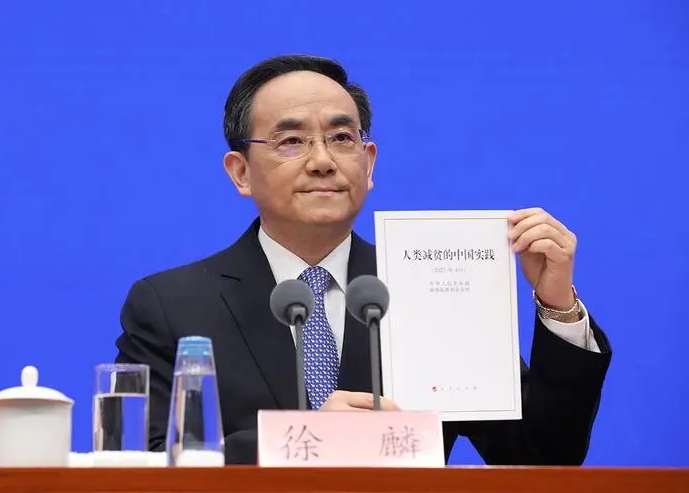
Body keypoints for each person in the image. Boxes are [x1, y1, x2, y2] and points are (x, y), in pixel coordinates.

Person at [115, 54, 612, 465]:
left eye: (341, 138)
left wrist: (557, 304)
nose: (322, 161)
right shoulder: (172, 305)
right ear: (241, 172)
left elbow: (546, 456)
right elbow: (140, 461)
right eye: (291, 141)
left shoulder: (427, 286)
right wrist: (304, 440)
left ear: (368, 164)